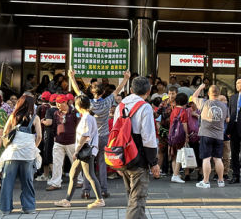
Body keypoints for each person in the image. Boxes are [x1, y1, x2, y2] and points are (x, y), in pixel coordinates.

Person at [69, 70, 130, 199]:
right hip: (104, 136)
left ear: (92, 92)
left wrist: (72, 77)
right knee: (102, 163)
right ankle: (103, 190)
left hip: (89, 138)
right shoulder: (108, 101)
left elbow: (77, 91)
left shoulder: (87, 103)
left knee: (87, 165)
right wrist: (125, 78)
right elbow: (118, 90)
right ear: (103, 92)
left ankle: (86, 190)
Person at [113, 76, 159, 219]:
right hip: (139, 157)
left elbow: (115, 132)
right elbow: (148, 138)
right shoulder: (145, 107)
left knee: (132, 197)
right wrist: (154, 162)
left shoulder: (120, 106)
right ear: (149, 91)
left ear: (131, 90)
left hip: (122, 155)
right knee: (137, 199)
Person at [54, 95, 105, 209]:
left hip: (85, 151)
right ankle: (67, 200)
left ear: (78, 105)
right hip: (86, 151)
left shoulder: (87, 118)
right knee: (73, 174)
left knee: (89, 175)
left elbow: (85, 136)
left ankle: (100, 199)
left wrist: (76, 151)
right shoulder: (88, 116)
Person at [0, 95, 42, 215]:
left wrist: (8, 146)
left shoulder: (12, 116)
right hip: (27, 155)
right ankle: (29, 208)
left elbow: (5, 133)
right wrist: (33, 147)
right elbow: (39, 137)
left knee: (7, 182)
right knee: (27, 182)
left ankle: (6, 209)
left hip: (12, 153)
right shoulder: (35, 118)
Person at [193, 84, 229, 188]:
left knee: (206, 158)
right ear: (219, 94)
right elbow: (227, 120)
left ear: (208, 93)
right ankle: (221, 181)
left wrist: (200, 87)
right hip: (219, 135)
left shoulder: (204, 102)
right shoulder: (224, 106)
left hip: (206, 134)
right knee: (218, 158)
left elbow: (194, 97)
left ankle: (206, 181)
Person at [46, 94, 82, 191]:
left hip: (71, 141)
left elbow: (79, 126)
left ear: (65, 102)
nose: (57, 105)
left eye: (59, 103)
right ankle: (56, 183)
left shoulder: (75, 112)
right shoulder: (56, 113)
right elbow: (54, 126)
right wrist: (54, 136)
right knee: (57, 162)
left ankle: (79, 180)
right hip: (59, 141)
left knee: (75, 162)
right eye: (56, 103)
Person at [36, 94, 58, 182]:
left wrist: (43, 121)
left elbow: (49, 122)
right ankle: (55, 175)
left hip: (49, 135)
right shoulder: (62, 110)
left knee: (48, 155)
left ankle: (53, 177)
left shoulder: (50, 110)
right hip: (59, 135)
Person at [156, 87, 178, 175]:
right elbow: (157, 114)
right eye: (169, 93)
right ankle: (157, 170)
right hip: (164, 131)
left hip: (175, 131)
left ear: (176, 93)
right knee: (161, 151)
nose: (171, 95)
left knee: (174, 152)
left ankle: (175, 173)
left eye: (173, 93)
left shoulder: (178, 103)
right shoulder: (163, 103)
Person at [169, 93, 189, 184]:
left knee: (174, 155)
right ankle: (175, 175)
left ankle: (175, 173)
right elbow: (184, 124)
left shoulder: (174, 110)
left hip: (172, 135)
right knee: (179, 154)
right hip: (179, 136)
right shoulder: (183, 111)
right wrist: (187, 135)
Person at [34, 92, 52, 181]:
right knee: (50, 154)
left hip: (41, 132)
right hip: (51, 133)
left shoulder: (40, 107)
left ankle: (44, 174)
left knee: (42, 153)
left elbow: (35, 119)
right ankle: (50, 174)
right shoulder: (52, 108)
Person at [218, 95, 231, 180]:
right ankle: (218, 173)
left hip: (225, 135)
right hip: (217, 135)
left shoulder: (227, 109)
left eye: (225, 100)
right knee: (217, 156)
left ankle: (225, 173)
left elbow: (228, 120)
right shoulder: (215, 108)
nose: (225, 101)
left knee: (226, 156)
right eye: (223, 100)